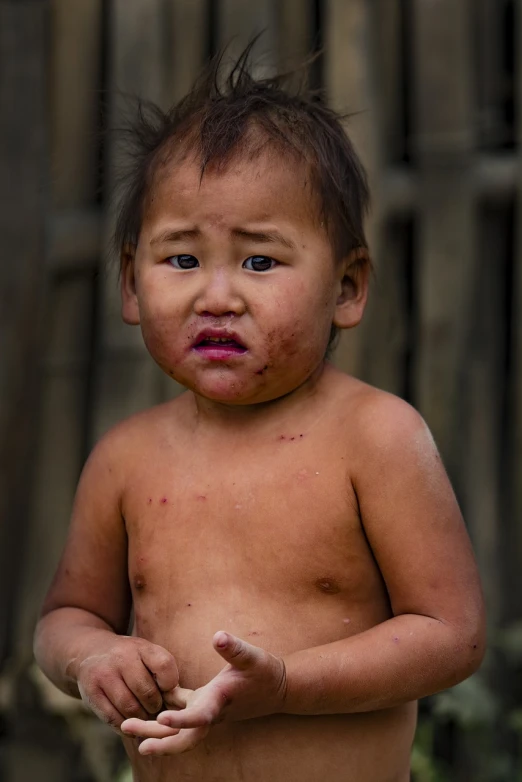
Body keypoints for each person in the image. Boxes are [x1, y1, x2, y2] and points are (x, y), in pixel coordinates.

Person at [34, 45, 486, 782]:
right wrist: (94, 655)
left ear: (346, 287)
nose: (217, 296)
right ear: (129, 283)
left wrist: (286, 685)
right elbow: (63, 620)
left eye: (260, 262)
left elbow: (452, 635)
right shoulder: (126, 459)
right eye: (181, 260)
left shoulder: (375, 439)